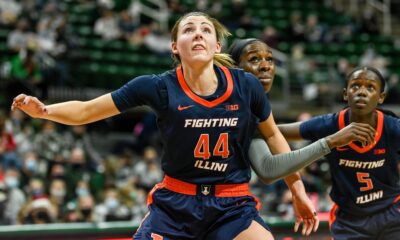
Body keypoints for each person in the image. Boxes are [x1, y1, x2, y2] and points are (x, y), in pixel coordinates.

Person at [12, 12, 324, 239]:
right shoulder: (157, 87)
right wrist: (44, 111)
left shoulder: (246, 86)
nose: (198, 33)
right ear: (175, 46)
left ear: (217, 46)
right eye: (189, 29)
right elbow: (86, 111)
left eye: (205, 29)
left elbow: (273, 138)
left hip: (232, 202)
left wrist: (297, 191)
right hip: (177, 203)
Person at [228, 38, 376, 235]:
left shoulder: (254, 106)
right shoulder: (223, 102)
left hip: (228, 202)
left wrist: (298, 192)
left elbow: (273, 135)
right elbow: (267, 167)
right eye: (255, 59)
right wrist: (332, 140)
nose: (265, 66)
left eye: (270, 60)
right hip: (186, 196)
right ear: (233, 67)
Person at [276, 66, 400, 239]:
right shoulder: (329, 125)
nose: (362, 92)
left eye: (370, 87)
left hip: (392, 213)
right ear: (345, 93)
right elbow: (274, 132)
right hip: (349, 221)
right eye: (355, 86)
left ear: (381, 97)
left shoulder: (393, 128)